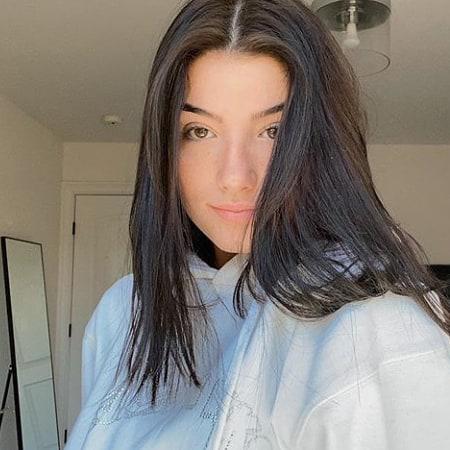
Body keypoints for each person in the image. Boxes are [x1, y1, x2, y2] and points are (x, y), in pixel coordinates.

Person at [64, 0, 450, 448]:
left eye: (274, 131)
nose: (235, 177)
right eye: (199, 131)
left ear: (323, 145)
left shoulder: (375, 332)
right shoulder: (123, 311)